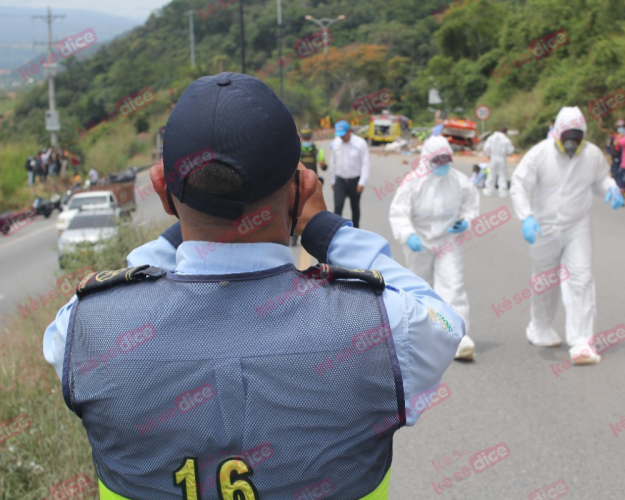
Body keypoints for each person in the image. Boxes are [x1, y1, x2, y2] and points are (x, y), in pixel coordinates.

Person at [43, 72, 464, 499]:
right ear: (301, 190)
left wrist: (184, 228)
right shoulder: (385, 326)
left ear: (162, 192)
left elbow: (118, 294)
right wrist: (327, 231)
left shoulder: (83, 332)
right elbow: (445, 324)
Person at [510, 106, 623, 365]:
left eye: (577, 137)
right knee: (544, 282)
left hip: (577, 225)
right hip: (543, 226)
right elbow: (520, 184)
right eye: (567, 137)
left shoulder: (592, 155)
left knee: (581, 278)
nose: (572, 144)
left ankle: (582, 341)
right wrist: (525, 216)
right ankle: (539, 327)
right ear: (557, 133)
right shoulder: (540, 153)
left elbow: (601, 179)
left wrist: (611, 188)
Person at [389, 135, 479, 361]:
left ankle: (458, 339)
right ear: (427, 159)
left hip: (449, 240)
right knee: (420, 288)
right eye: (437, 160)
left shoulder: (458, 180)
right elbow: (399, 211)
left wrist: (467, 221)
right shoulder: (413, 181)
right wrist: (407, 234)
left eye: (446, 160)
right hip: (419, 241)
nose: (442, 165)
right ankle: (422, 339)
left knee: (453, 285)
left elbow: (471, 204)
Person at [330, 120, 370, 228]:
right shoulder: (336, 143)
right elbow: (333, 162)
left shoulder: (360, 143)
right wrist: (332, 180)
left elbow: (365, 163)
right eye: (340, 135)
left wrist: (362, 182)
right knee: (338, 207)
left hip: (355, 181)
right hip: (340, 181)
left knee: (355, 208)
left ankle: (356, 230)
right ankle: (336, 232)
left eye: (343, 135)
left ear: (349, 131)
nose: (342, 138)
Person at [295, 127, 328, 246]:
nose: (307, 140)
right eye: (305, 138)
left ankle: (313, 235)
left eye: (308, 138)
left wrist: (323, 165)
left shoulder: (317, 150)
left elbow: (323, 165)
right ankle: (294, 237)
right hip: (298, 183)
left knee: (312, 210)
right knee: (296, 210)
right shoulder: (295, 149)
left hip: (312, 185)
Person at [482, 126, 515, 197]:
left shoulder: (491, 138)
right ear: (506, 132)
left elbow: (486, 148)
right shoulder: (506, 140)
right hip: (502, 158)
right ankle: (502, 191)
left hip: (493, 157)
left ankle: (489, 191)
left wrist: (488, 154)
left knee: (491, 174)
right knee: (502, 175)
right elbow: (510, 150)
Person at [605, 119, 625, 188]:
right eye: (619, 127)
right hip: (616, 158)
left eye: (622, 127)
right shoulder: (614, 137)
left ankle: (624, 190)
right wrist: (612, 153)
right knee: (614, 174)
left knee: (624, 175)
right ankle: (615, 189)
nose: (620, 128)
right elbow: (608, 147)